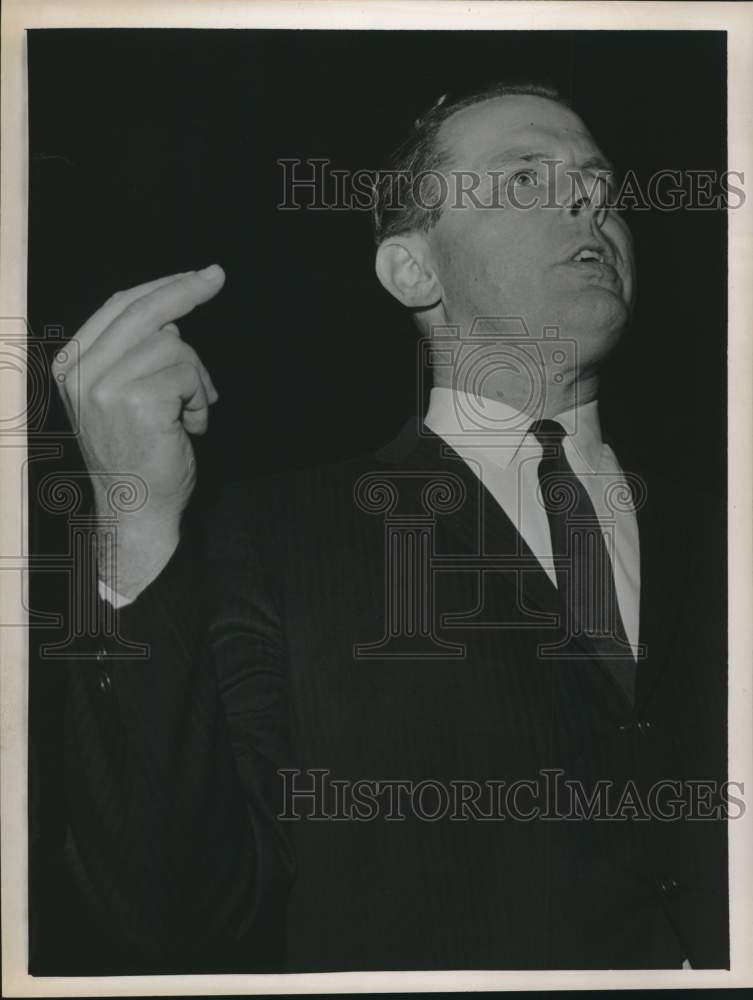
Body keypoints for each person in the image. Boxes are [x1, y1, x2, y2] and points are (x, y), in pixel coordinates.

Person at [50, 82, 727, 973]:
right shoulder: (272, 538)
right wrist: (132, 516)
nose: (586, 201)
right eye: (526, 179)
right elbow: (171, 911)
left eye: (600, 187)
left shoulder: (724, 536)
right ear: (413, 269)